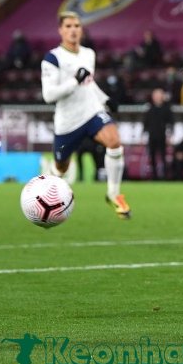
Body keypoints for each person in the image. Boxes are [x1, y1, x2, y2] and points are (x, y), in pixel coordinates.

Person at [40, 11, 130, 218]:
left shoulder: (89, 54)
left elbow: (88, 83)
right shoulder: (53, 58)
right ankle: (49, 198)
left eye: (77, 26)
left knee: (114, 141)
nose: (73, 30)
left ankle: (114, 194)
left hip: (91, 112)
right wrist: (74, 81)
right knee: (61, 167)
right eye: (69, 26)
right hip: (67, 122)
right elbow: (48, 95)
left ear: (81, 29)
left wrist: (105, 99)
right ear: (60, 30)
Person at [143, 88, 174, 180]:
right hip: (152, 136)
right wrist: (144, 135)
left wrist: (169, 135)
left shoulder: (167, 108)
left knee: (163, 156)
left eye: (158, 95)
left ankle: (164, 176)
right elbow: (146, 123)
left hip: (162, 136)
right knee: (152, 156)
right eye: (155, 95)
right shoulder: (149, 108)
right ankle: (154, 176)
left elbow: (170, 123)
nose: (156, 97)